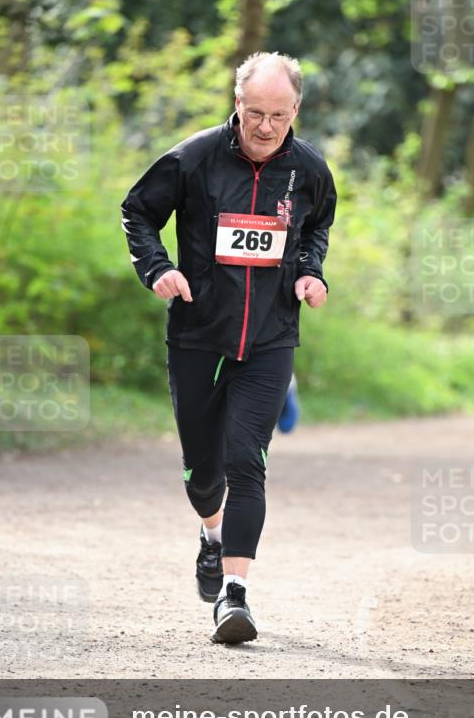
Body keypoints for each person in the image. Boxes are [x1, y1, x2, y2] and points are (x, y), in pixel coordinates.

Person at [121, 51, 337, 645]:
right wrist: (157, 267)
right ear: (236, 104)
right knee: (203, 473)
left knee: (247, 460)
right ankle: (211, 537)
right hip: (198, 335)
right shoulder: (193, 158)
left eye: (279, 115)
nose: (266, 127)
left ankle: (234, 595)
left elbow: (316, 226)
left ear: (296, 110)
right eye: (255, 113)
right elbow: (138, 211)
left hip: (271, 338)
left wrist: (310, 272)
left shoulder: (310, 170)